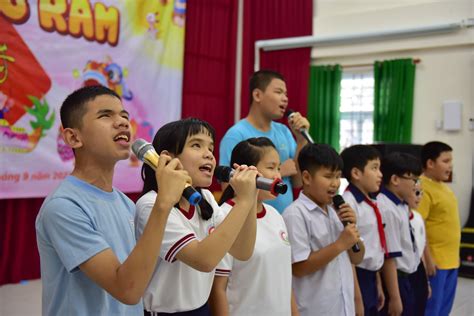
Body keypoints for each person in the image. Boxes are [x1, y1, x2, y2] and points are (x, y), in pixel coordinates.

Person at [36, 86, 190, 315]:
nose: (122, 122)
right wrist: (163, 203)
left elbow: (141, 274)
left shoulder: (125, 203)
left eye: (124, 116)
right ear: (73, 137)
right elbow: (127, 290)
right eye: (106, 115)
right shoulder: (63, 207)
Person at [135, 118, 258, 315]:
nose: (209, 154)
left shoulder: (206, 197)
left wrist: (251, 198)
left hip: (201, 309)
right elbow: (204, 260)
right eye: (196, 145)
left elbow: (242, 251)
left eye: (211, 147)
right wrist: (242, 202)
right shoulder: (151, 205)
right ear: (167, 158)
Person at [208, 137, 298, 316]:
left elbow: (284, 278)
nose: (278, 176)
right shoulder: (223, 217)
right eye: (271, 168)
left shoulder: (275, 215)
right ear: (245, 172)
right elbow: (217, 289)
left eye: (279, 168)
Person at [283, 143, 365, 316]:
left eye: (337, 177)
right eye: (328, 176)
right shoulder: (296, 214)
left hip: (344, 307)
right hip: (315, 309)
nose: (335, 183)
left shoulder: (338, 210)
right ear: (306, 177)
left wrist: (352, 229)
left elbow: (357, 258)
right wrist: (340, 244)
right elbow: (299, 268)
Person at [219, 70, 310, 213]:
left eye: (286, 94)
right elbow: (228, 187)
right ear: (257, 95)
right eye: (278, 92)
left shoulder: (284, 131)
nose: (285, 99)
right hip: (252, 219)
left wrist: (301, 140)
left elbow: (298, 182)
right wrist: (280, 171)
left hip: (281, 220)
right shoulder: (236, 135)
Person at [341, 145, 385, 315]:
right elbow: (349, 254)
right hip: (358, 276)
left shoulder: (371, 201)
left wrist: (378, 282)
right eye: (374, 168)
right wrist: (357, 298)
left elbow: (375, 246)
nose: (380, 174)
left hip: (372, 275)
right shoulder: (348, 204)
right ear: (356, 173)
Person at [418, 141, 460, 316]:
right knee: (431, 310)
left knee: (444, 309)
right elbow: (419, 227)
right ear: (430, 163)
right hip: (435, 263)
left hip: (451, 261)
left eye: (451, 161)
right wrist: (427, 259)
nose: (450, 166)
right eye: (445, 161)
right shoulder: (422, 188)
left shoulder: (444, 188)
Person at [378, 152, 422, 316]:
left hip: (409, 276)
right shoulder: (386, 208)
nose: (416, 185)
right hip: (396, 279)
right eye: (414, 180)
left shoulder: (401, 204)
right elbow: (390, 258)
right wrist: (395, 298)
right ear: (395, 180)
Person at [406, 183, 430, 315]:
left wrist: (426, 281)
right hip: (405, 272)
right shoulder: (397, 216)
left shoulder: (418, 218)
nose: (419, 197)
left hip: (418, 269)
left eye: (421, 193)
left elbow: (420, 251)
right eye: (416, 192)